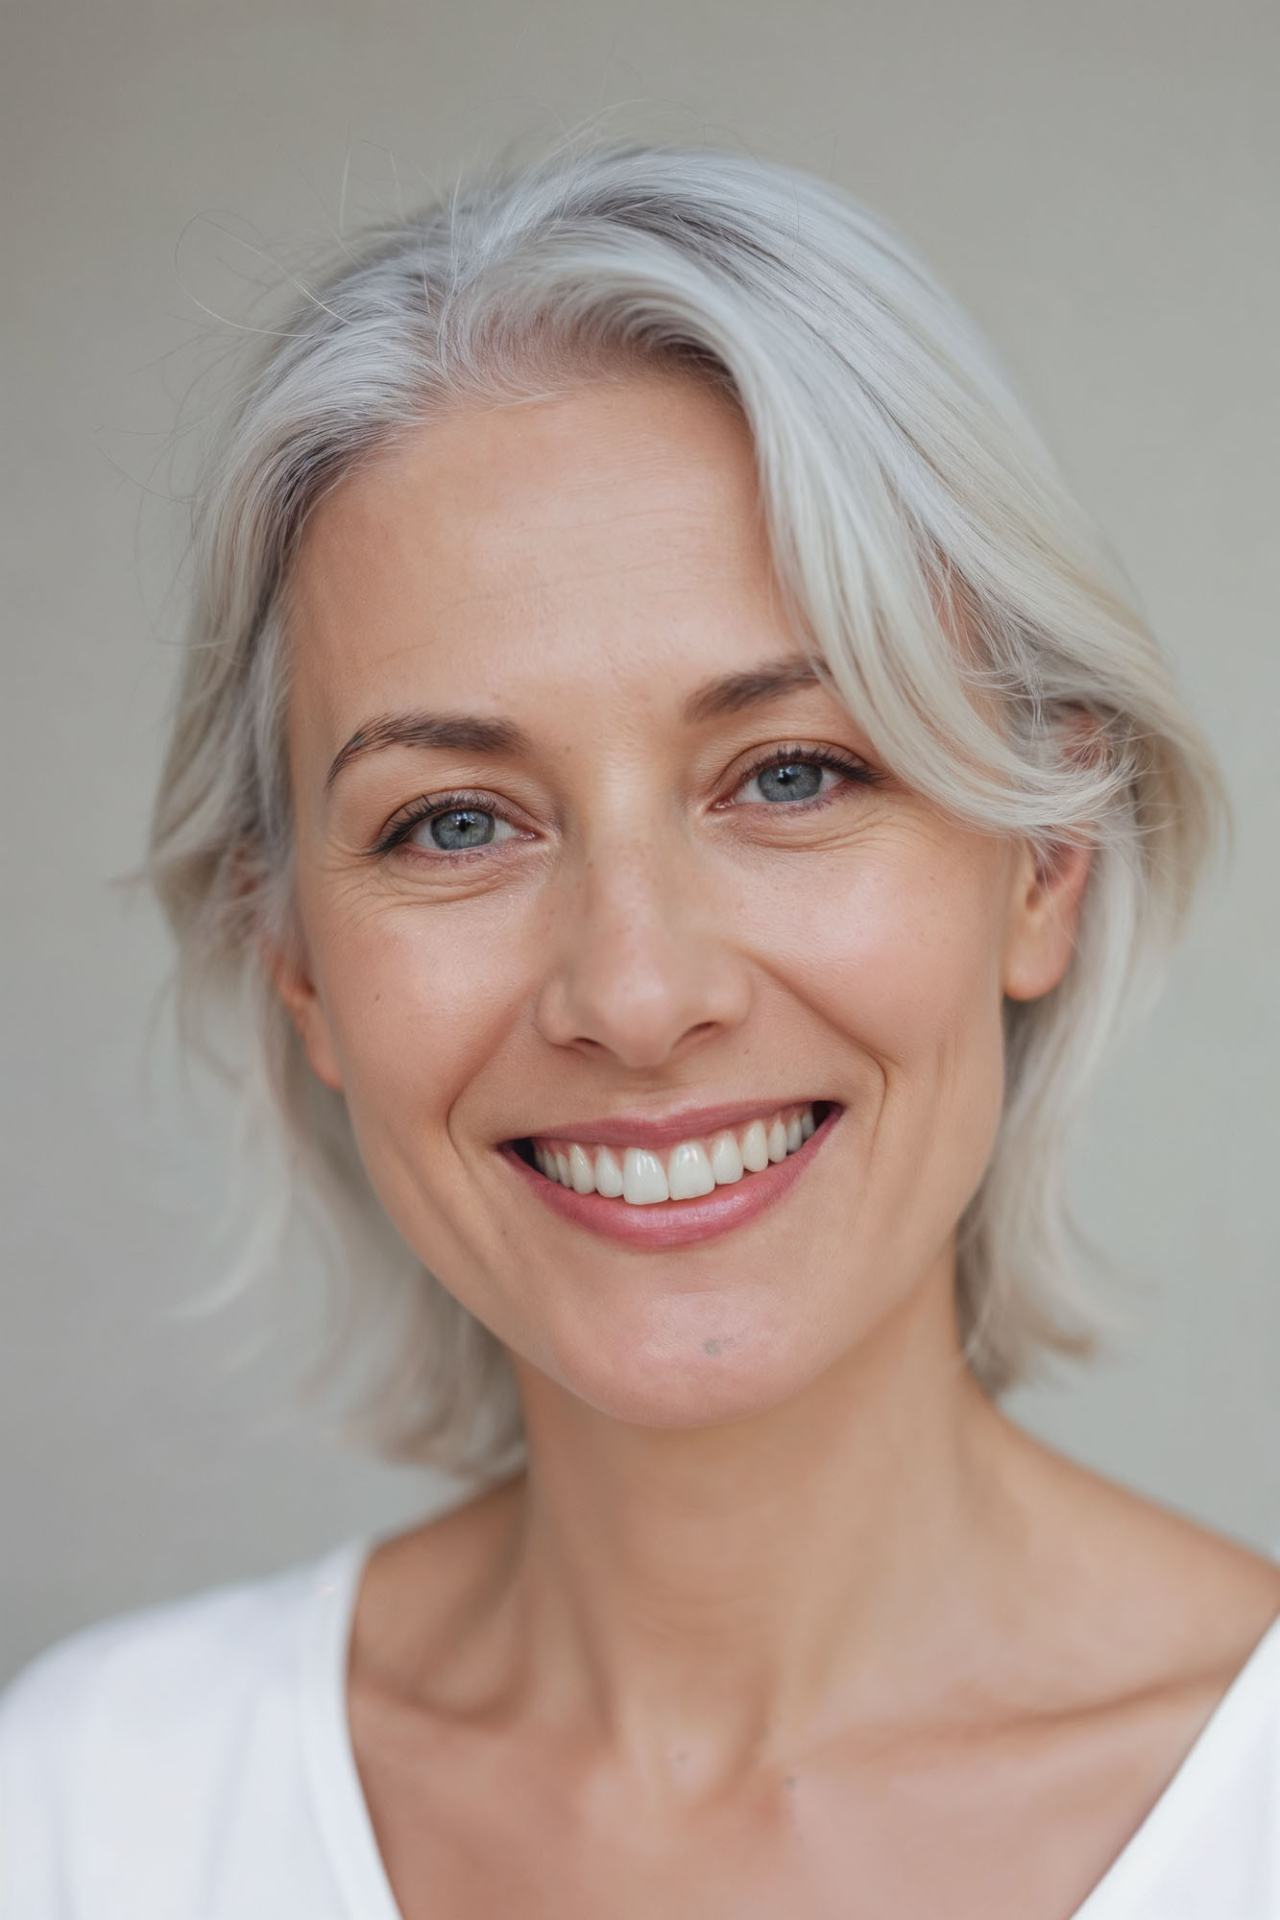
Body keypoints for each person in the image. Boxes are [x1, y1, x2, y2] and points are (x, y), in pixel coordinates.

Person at [2, 140, 1277, 1920]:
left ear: (1043, 867)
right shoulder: (82, 1819)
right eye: (455, 821)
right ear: (294, 961)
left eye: (793, 773)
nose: (637, 992)